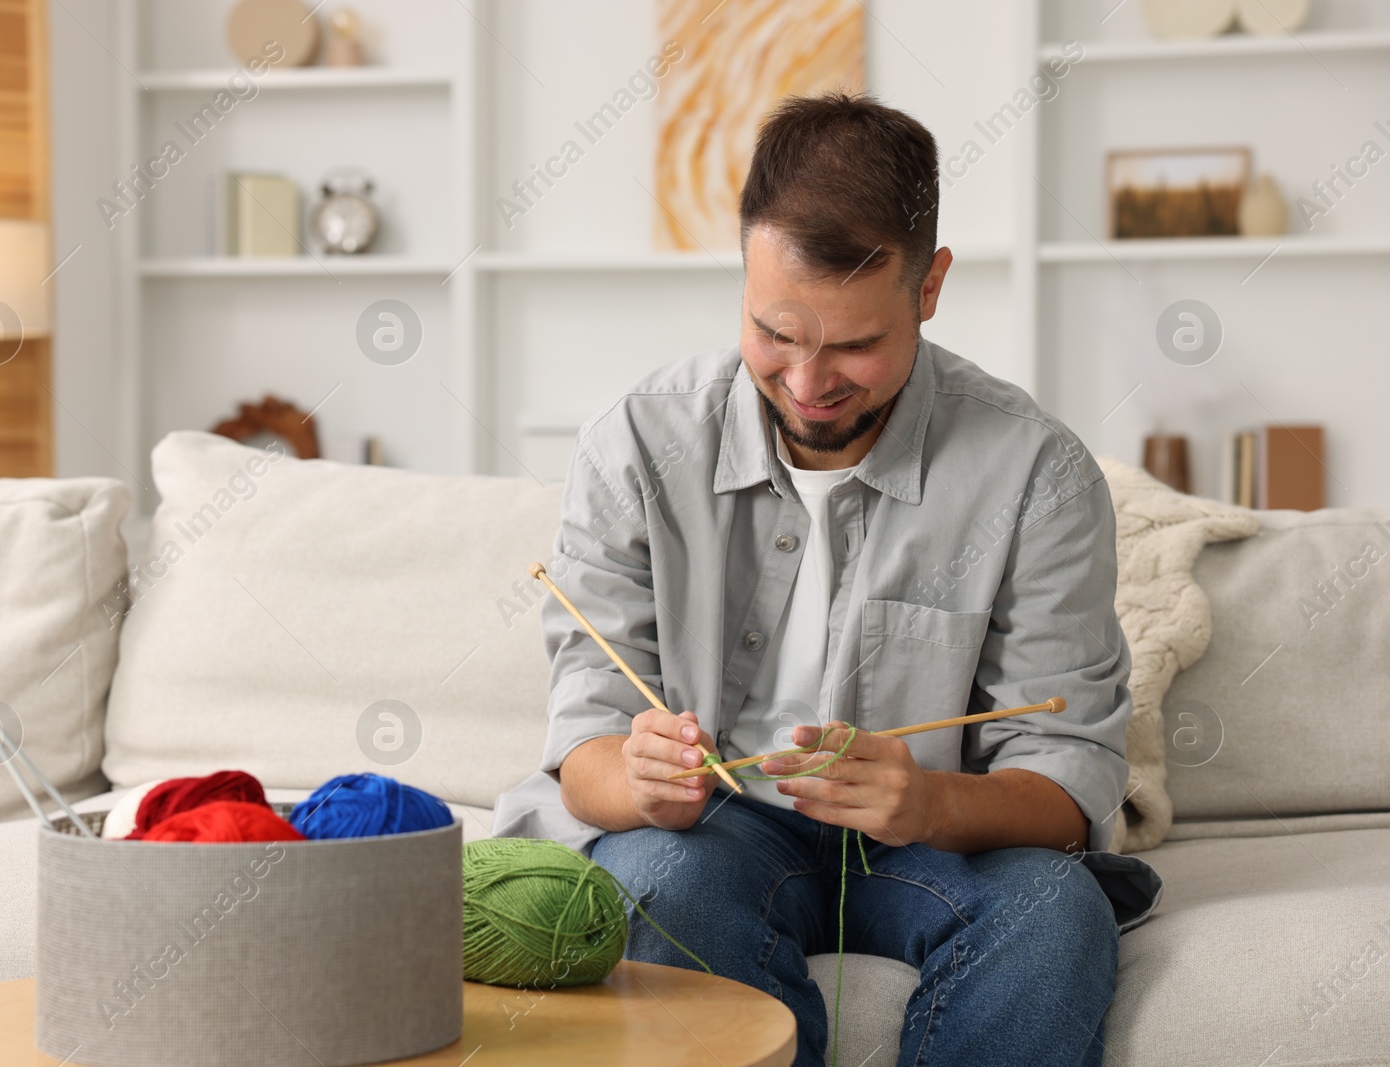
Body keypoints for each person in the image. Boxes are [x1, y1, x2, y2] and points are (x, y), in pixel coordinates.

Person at [492, 91, 1162, 1067]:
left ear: (928, 287)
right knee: (653, 889)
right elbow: (585, 738)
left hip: (940, 838)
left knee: (1056, 911)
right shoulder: (636, 443)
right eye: (774, 334)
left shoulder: (1034, 472)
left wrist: (929, 805)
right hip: (707, 831)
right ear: (745, 279)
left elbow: (1067, 774)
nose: (808, 382)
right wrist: (636, 781)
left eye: (854, 345)